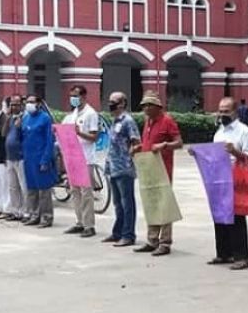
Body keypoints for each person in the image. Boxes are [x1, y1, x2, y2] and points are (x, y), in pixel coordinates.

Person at [192, 97, 248, 270]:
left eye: (226, 111)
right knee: (219, 214)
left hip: (235, 176)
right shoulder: (219, 132)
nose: (222, 114)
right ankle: (224, 253)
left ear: (235, 112)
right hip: (218, 177)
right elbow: (213, 156)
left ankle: (242, 256)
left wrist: (235, 151)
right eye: (220, 110)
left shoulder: (244, 131)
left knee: (236, 217)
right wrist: (198, 153)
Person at [133, 91, 183, 256]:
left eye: (148, 105)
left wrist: (164, 145)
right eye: (144, 105)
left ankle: (165, 242)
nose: (145, 108)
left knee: (164, 205)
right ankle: (152, 239)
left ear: (157, 107)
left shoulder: (167, 121)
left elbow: (179, 143)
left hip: (163, 169)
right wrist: (138, 148)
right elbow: (146, 142)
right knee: (152, 203)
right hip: (149, 167)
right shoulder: (148, 121)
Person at [102, 91, 140, 247]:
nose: (110, 104)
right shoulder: (114, 121)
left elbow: (136, 141)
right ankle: (117, 232)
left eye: (114, 101)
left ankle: (128, 235)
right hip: (113, 167)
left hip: (124, 168)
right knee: (117, 203)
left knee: (127, 203)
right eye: (110, 100)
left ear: (123, 103)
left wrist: (133, 150)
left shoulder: (127, 121)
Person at [63, 85, 100, 238]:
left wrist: (79, 133)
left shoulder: (91, 114)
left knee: (86, 193)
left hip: (85, 158)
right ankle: (80, 222)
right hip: (72, 157)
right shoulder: (73, 114)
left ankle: (89, 225)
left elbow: (94, 137)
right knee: (75, 191)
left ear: (84, 96)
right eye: (72, 96)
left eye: (76, 96)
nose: (73, 99)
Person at [21, 95, 57, 228]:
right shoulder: (25, 118)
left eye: (32, 101)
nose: (29, 104)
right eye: (27, 102)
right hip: (28, 158)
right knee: (32, 189)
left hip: (40, 157)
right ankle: (34, 214)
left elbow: (49, 140)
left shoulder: (45, 119)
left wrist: (46, 159)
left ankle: (46, 217)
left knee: (44, 190)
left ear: (39, 104)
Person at [4, 95, 27, 222]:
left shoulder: (24, 118)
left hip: (20, 156)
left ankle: (25, 212)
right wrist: (7, 119)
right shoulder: (11, 119)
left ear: (21, 105)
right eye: (12, 104)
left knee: (23, 186)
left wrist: (19, 127)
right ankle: (15, 210)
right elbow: (3, 133)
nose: (13, 107)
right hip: (9, 156)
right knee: (12, 186)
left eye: (16, 104)